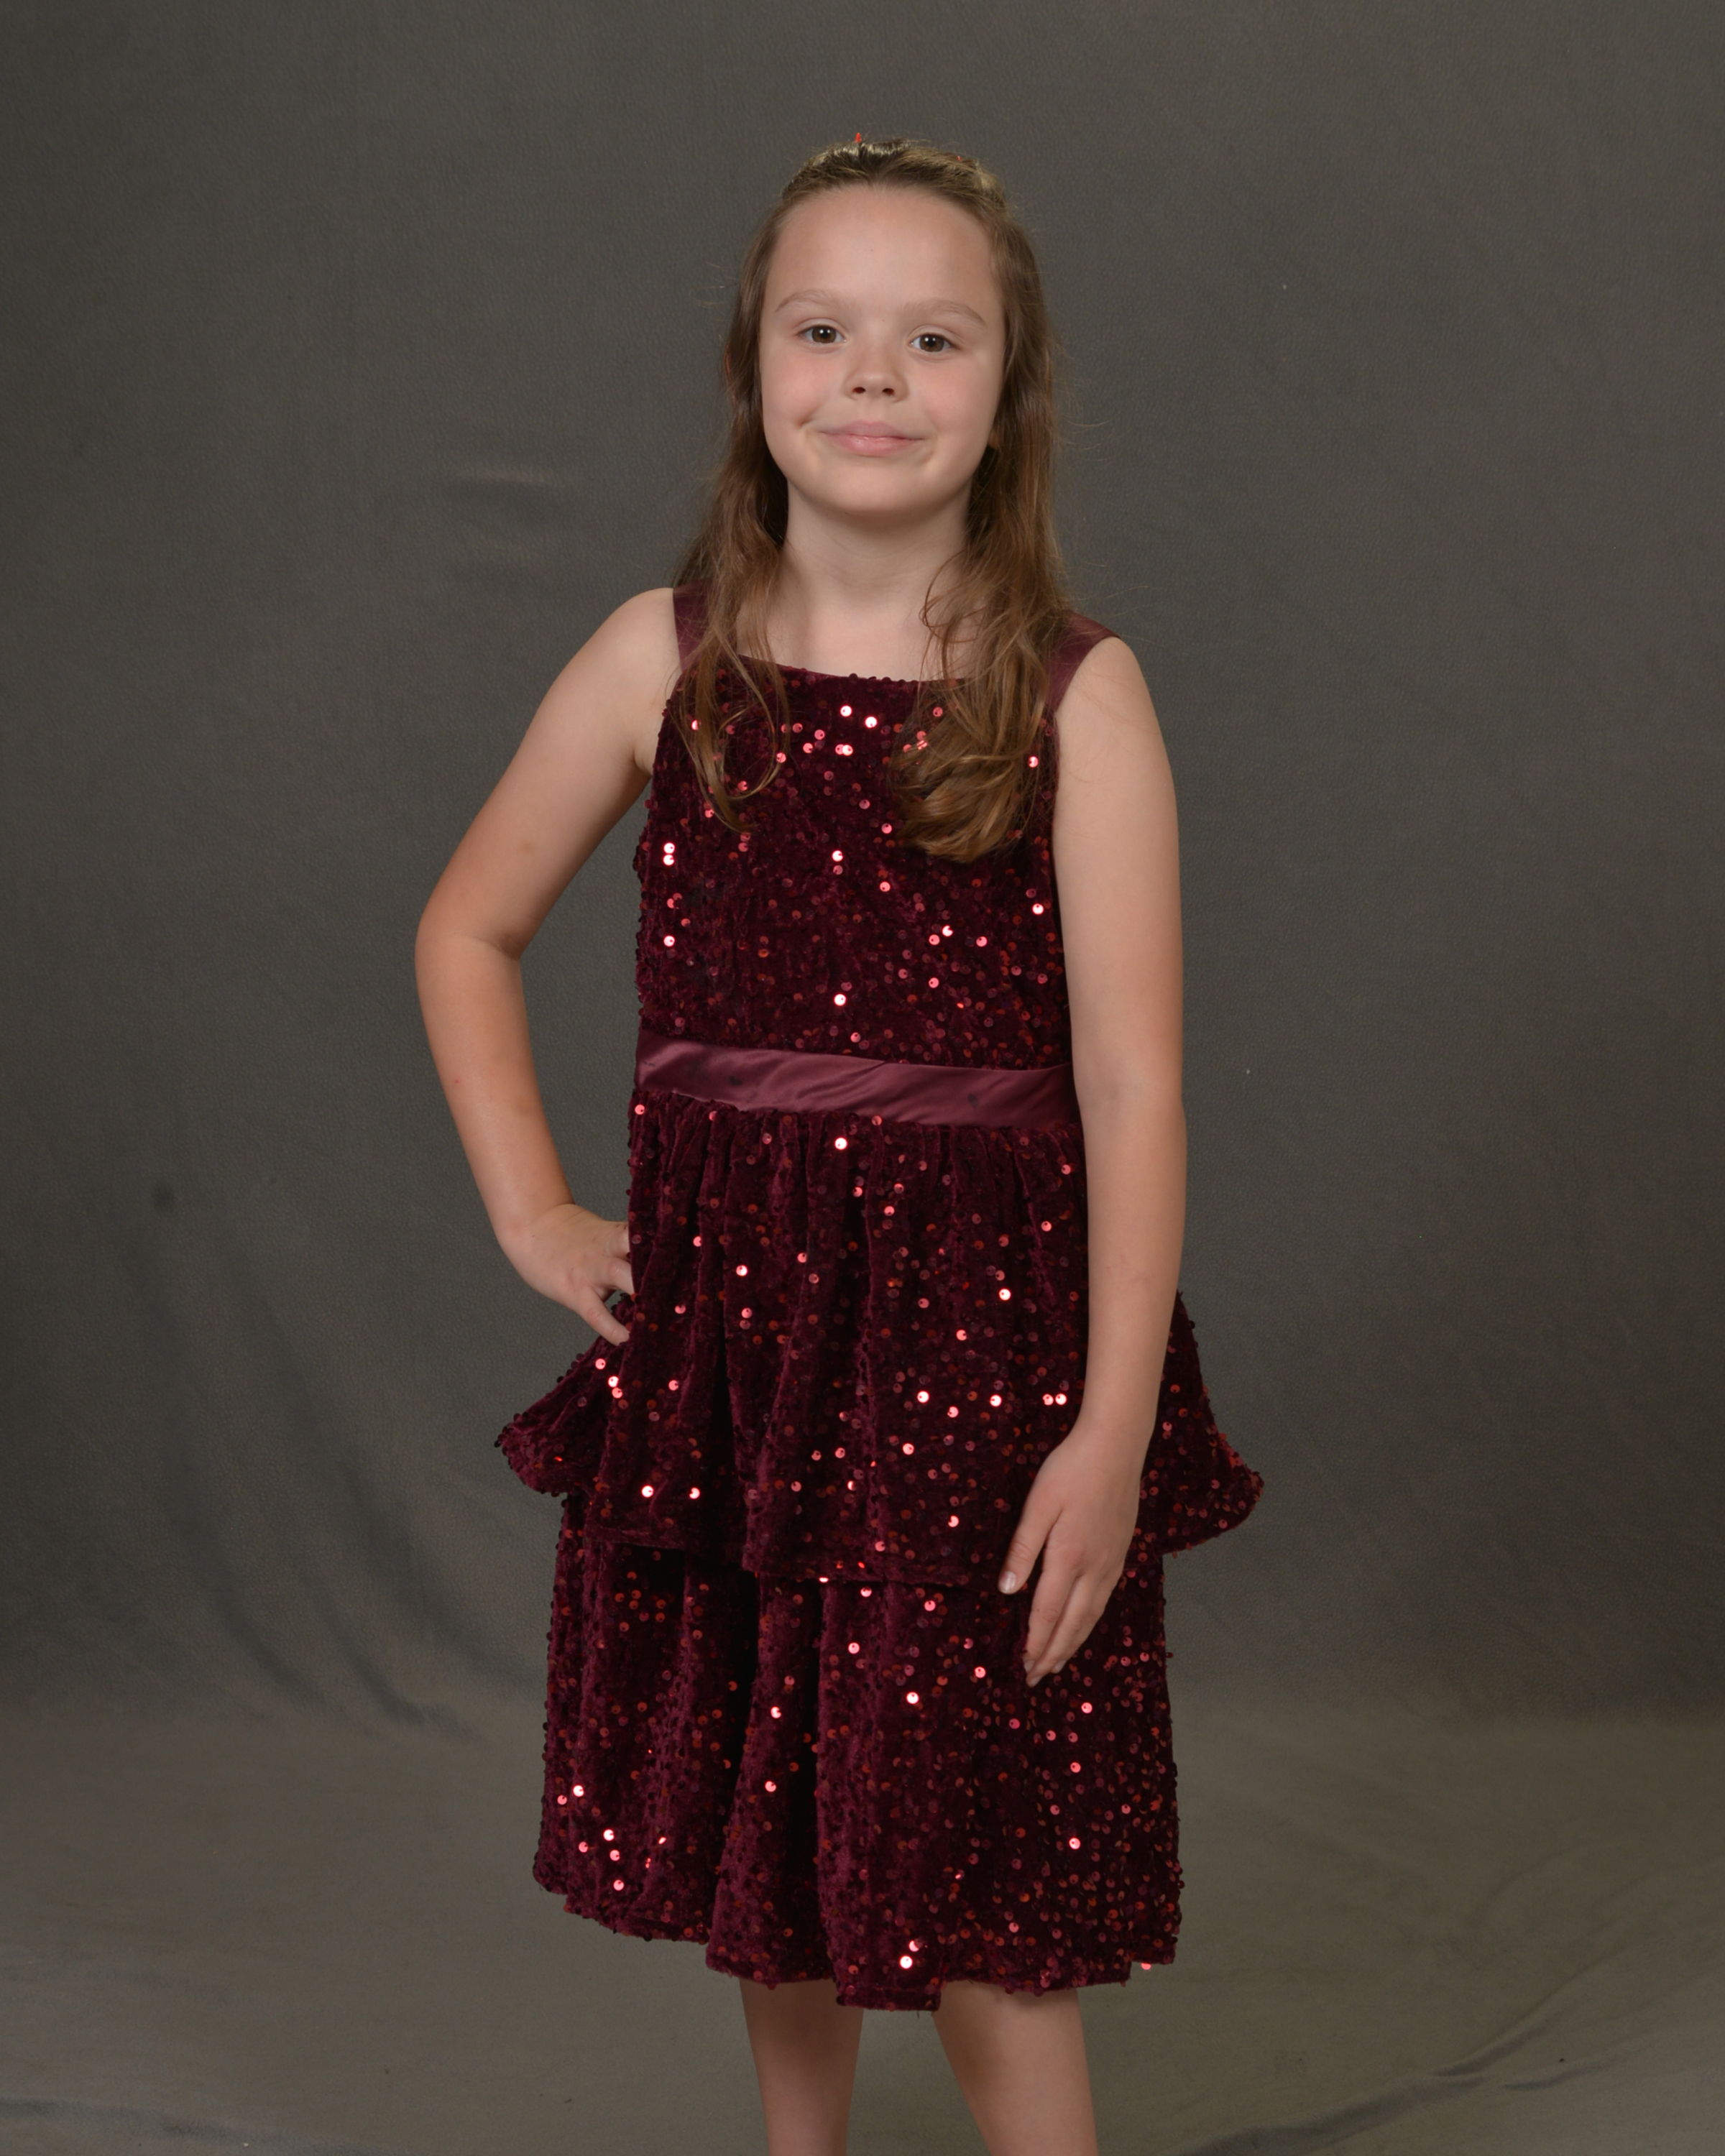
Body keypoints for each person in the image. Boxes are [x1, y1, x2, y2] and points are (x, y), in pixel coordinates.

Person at [416, 135, 1261, 2156]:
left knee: (981, 1883)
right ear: (754, 366)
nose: (874, 374)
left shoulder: (1073, 698)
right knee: (772, 1831)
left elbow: (1135, 1089)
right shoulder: (662, 661)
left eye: (933, 337)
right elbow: (465, 928)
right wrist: (533, 1208)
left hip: (980, 1376)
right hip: (742, 1360)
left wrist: (1113, 1427)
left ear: (1007, 388)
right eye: (825, 329)